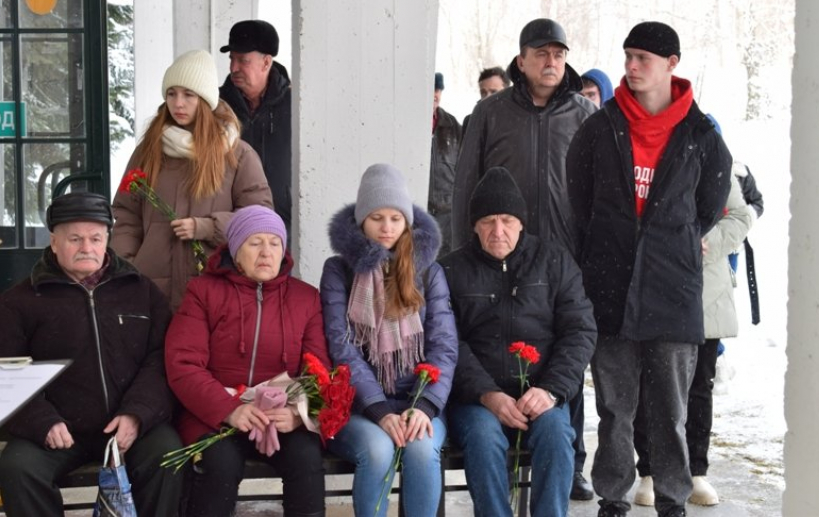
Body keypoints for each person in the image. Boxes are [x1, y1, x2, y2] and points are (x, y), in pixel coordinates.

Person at [566, 21, 733, 517]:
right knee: (615, 409)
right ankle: (613, 498)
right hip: (610, 288)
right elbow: (580, 200)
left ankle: (672, 499)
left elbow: (708, 208)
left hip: (673, 293)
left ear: (671, 65)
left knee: (671, 412)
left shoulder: (702, 135)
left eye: (643, 58)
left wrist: (668, 247)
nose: (632, 67)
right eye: (628, 57)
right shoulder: (600, 126)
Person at [451, 17, 597, 500]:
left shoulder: (583, 114)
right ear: (522, 60)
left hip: (563, 257)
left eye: (558, 53)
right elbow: (464, 186)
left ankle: (569, 465)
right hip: (494, 247)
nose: (551, 61)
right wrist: (465, 251)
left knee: (558, 361)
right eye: (541, 53)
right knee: (496, 346)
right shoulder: (490, 112)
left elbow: (599, 194)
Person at [0, 192, 182, 516]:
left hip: (130, 425)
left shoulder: (141, 291)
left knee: (167, 455)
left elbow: (161, 360)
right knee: (18, 467)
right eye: (75, 238)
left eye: (95, 238)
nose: (87, 247)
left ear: (107, 239)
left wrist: (137, 414)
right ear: (54, 242)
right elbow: (6, 372)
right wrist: (42, 421)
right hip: (59, 430)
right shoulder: (20, 301)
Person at [440, 167, 597, 517]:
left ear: (521, 223)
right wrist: (487, 394)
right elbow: (448, 342)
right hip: (476, 400)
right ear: (473, 225)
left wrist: (551, 390)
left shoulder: (554, 262)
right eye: (488, 221)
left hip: (540, 394)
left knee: (557, 435)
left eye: (507, 220)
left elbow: (580, 331)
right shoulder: (450, 270)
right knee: (483, 438)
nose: (498, 231)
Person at [165, 205, 329, 517]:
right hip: (212, 413)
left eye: (275, 243)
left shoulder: (305, 298)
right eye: (255, 243)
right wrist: (230, 410)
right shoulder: (204, 292)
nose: (267, 252)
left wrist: (297, 413)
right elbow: (183, 364)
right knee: (219, 466)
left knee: (306, 460)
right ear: (236, 250)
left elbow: (318, 369)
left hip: (279, 415)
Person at [320, 163, 458, 517]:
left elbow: (443, 345)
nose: (386, 228)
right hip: (360, 406)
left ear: (407, 222)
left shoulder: (428, 272)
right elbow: (342, 346)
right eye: (376, 217)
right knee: (379, 450)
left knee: (422, 448)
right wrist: (378, 409)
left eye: (396, 218)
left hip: (418, 400)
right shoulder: (339, 271)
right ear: (361, 221)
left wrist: (425, 406)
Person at [112, 49, 273, 311]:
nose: (178, 103)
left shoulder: (237, 154)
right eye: (172, 94)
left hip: (214, 289)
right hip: (151, 291)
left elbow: (259, 220)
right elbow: (126, 214)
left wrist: (207, 227)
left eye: (189, 95)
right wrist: (128, 267)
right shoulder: (149, 150)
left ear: (206, 100)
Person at [633, 170, 756, 508]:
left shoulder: (713, 151)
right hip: (653, 285)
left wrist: (703, 244)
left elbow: (742, 215)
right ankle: (650, 471)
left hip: (706, 293)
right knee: (650, 383)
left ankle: (696, 470)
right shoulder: (646, 151)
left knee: (699, 386)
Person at [219, 19, 294, 228]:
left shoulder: (296, 106)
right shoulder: (216, 107)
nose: (234, 68)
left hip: (283, 227)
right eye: (231, 59)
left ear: (266, 62)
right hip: (229, 227)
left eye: (243, 60)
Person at [430, 72, 463, 257]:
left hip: (448, 217)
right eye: (431, 88)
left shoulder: (453, 126)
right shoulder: (409, 124)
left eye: (438, 89)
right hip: (419, 213)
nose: (434, 94)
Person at [461, 66, 512, 137]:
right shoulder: (470, 122)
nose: (487, 97)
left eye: (494, 92)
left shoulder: (519, 122)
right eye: (483, 92)